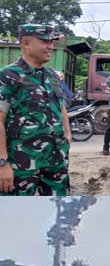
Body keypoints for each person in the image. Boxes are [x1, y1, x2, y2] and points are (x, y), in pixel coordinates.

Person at [0, 24, 73, 196]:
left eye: (52, 42)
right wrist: (2, 164)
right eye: (44, 42)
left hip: (56, 161)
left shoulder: (52, 75)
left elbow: (60, 106)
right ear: (26, 43)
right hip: (21, 164)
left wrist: (67, 136)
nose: (50, 47)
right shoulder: (8, 76)